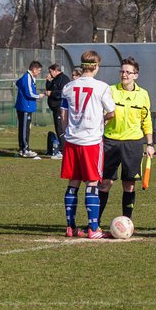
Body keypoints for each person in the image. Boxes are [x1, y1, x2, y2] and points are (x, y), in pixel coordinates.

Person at [59, 49, 116, 239]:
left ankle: (70, 227)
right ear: (96, 66)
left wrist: (67, 132)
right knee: (92, 182)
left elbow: (63, 115)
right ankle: (93, 229)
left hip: (72, 140)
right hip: (91, 141)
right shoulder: (102, 87)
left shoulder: (68, 87)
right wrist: (101, 119)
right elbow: (112, 112)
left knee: (73, 183)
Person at [99, 57, 155, 225]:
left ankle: (127, 222)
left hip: (133, 143)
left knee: (129, 184)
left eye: (128, 72)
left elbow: (146, 121)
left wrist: (150, 144)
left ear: (135, 75)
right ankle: (95, 222)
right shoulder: (109, 90)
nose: (124, 75)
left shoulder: (143, 94)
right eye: (122, 71)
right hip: (110, 141)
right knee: (105, 183)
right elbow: (101, 114)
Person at [15, 60, 44, 158]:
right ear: (34, 69)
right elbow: (29, 93)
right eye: (38, 70)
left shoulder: (30, 78)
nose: (39, 72)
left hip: (27, 106)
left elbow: (18, 83)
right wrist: (38, 96)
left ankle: (24, 148)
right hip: (25, 107)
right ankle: (24, 149)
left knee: (26, 128)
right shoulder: (27, 77)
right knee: (24, 129)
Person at [45, 63, 69, 158]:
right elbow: (49, 89)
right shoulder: (55, 79)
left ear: (56, 70)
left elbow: (63, 92)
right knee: (58, 129)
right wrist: (48, 81)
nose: (50, 74)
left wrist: (52, 93)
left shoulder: (63, 79)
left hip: (60, 108)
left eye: (51, 72)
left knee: (60, 129)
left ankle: (63, 151)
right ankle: (62, 149)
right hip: (55, 108)